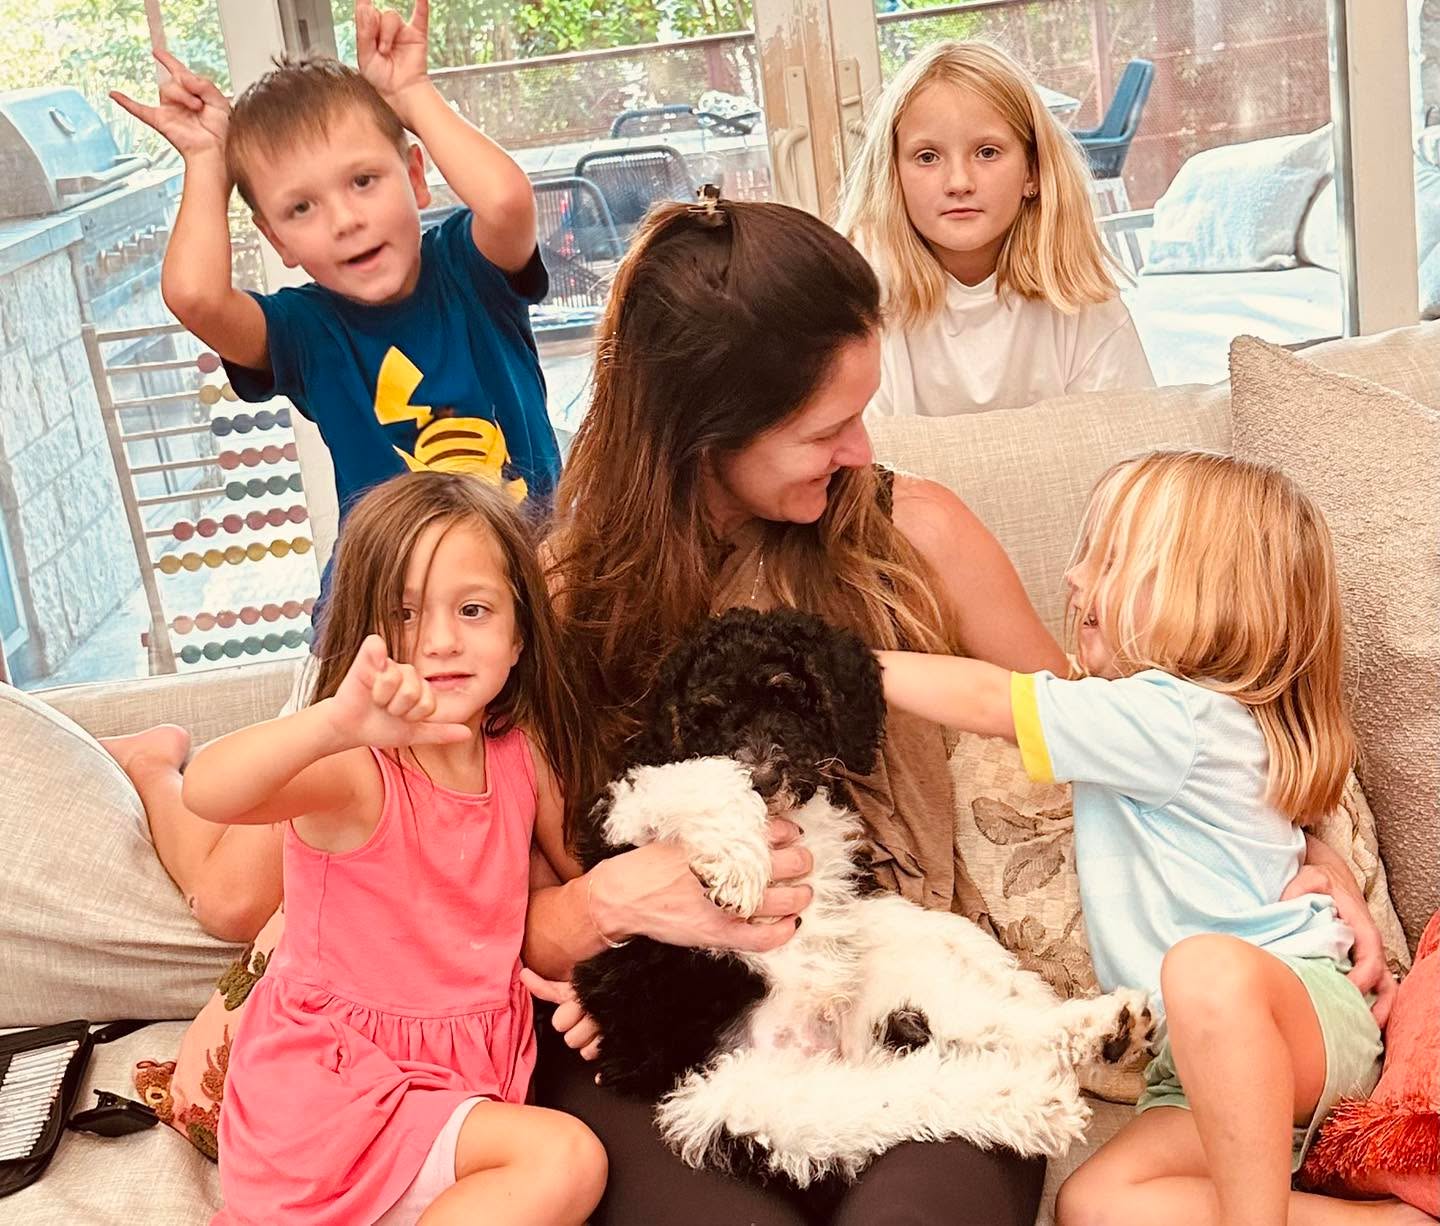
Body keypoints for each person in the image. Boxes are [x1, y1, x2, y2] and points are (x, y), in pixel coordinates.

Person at [519, 190, 1082, 1226]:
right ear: (704, 429)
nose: (863, 449)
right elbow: (461, 905)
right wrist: (610, 902)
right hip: (674, 1033)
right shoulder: (558, 603)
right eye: (827, 426)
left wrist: (1308, 855)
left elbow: (1103, 743)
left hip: (901, 1007)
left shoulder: (918, 538)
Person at [106, 0, 558, 941]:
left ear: (415, 172)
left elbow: (510, 203)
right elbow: (194, 294)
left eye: (363, 180)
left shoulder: (467, 269)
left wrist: (411, 91)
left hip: (521, 600)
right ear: (277, 241)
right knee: (231, 908)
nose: (345, 221)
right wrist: (206, 162)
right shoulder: (308, 332)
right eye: (301, 209)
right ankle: (157, 767)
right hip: (374, 625)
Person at [877, 451, 1417, 1226]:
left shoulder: (1167, 716)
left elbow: (997, 698)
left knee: (1200, 968)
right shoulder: (1191, 721)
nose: (1072, 578)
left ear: (1207, 597)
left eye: (1108, 560)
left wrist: (852, 665)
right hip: (1207, 1065)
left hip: (1285, 1017)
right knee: (1095, 1204)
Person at [182, 470, 607, 1225]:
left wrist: (603, 982)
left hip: (455, 1088)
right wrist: (333, 726)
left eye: (473, 610)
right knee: (565, 1157)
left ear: (518, 634)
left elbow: (586, 880)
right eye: (405, 615)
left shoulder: (521, 758)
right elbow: (211, 792)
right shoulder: (358, 772)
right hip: (333, 1099)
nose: (441, 641)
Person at [836, 41, 1154, 416]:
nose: (958, 182)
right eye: (927, 157)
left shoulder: (1080, 296)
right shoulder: (860, 290)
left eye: (987, 152)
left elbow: (1131, 444)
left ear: (1032, 171)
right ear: (894, 175)